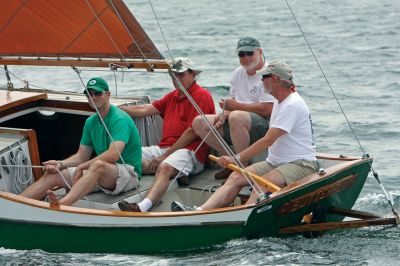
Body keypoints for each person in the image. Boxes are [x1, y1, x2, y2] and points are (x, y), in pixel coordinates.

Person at [171, 61, 318, 211]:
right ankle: (199, 211)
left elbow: (268, 140)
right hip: (275, 162)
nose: (261, 81)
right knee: (236, 176)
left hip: (300, 164)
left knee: (262, 183)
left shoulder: (291, 104)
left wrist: (235, 158)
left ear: (274, 80)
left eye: (264, 77)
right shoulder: (280, 101)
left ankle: (243, 218)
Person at [20, 77, 142, 206]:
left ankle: (61, 205)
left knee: (98, 165)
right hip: (102, 173)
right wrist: (60, 164)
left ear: (108, 95)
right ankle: (16, 205)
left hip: (128, 173)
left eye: (98, 93)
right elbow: (81, 156)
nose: (93, 97)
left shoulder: (119, 119)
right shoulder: (91, 122)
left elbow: (113, 155)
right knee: (54, 174)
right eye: (89, 94)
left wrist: (82, 167)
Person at [117, 57, 216, 212]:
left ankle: (143, 206)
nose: (176, 79)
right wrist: (115, 109)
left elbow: (191, 132)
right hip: (166, 148)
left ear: (192, 74)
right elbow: (144, 110)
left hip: (191, 151)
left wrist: (165, 156)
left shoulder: (202, 96)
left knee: (164, 167)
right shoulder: (172, 96)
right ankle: (174, 172)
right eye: (173, 75)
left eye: (181, 75)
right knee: (124, 152)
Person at [192, 37, 275, 180]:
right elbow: (234, 104)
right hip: (240, 121)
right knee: (199, 122)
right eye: (241, 54)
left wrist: (235, 108)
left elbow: (269, 109)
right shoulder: (238, 73)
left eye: (249, 53)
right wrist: (224, 114)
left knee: (237, 116)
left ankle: (242, 167)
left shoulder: (267, 73)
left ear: (260, 52)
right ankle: (232, 161)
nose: (245, 58)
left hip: (265, 127)